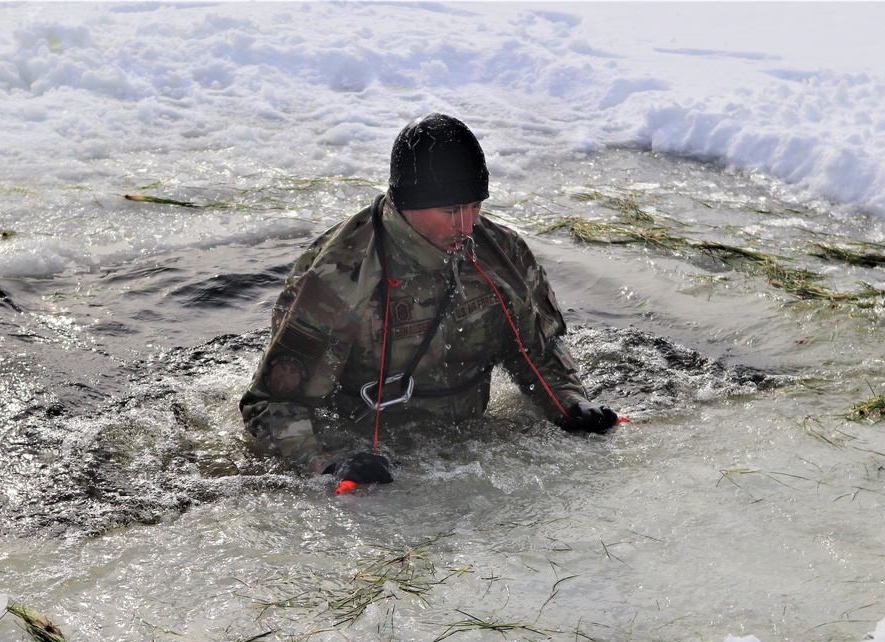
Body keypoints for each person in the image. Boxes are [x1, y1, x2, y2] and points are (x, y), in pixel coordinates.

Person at [240, 113, 619, 488]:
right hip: (377, 462)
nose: (467, 226)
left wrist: (568, 403)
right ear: (408, 204)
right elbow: (271, 404)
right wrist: (329, 463)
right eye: (451, 211)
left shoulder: (502, 253)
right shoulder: (341, 277)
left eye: (475, 206)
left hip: (469, 456)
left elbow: (534, 349)